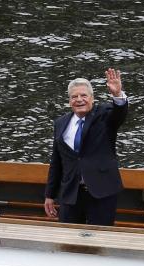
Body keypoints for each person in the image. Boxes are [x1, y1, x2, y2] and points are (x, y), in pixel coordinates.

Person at [44, 68, 128, 226]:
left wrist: (117, 95)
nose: (79, 99)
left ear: (92, 98)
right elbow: (56, 162)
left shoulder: (104, 114)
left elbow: (119, 115)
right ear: (69, 101)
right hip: (71, 194)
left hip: (101, 192)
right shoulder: (60, 123)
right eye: (74, 96)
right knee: (68, 240)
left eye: (83, 95)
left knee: (100, 241)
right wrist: (50, 195)